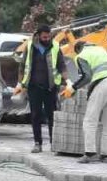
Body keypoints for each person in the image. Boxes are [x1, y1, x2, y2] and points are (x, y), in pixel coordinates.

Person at [14, 25, 67, 153]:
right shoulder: (30, 46)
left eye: (49, 36)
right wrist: (19, 83)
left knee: (52, 115)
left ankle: (54, 143)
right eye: (44, 37)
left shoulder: (55, 46)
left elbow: (61, 65)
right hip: (34, 87)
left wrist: (68, 82)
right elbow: (22, 65)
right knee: (35, 115)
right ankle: (37, 143)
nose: (47, 39)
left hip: (50, 87)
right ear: (38, 35)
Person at [71, 40, 107, 163]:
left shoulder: (80, 56)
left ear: (78, 49)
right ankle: (106, 155)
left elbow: (86, 76)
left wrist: (73, 88)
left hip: (102, 85)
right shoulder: (101, 49)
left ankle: (90, 154)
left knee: (90, 120)